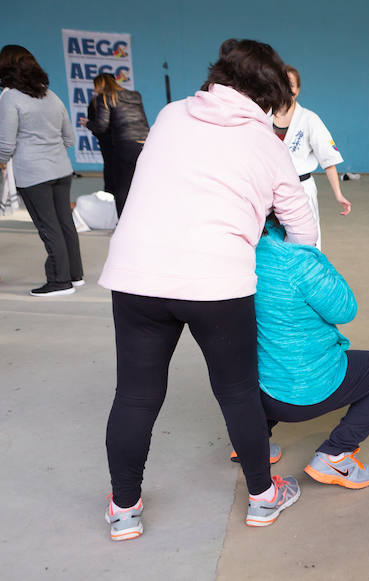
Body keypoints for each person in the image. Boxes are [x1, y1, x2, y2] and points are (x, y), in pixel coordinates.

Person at [97, 39, 318, 541]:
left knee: (135, 395)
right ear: (269, 95)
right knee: (237, 391)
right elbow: (303, 230)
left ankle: (124, 508)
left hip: (136, 275)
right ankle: (263, 498)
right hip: (217, 282)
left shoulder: (172, 115)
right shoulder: (266, 142)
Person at [243, 216, 369, 489]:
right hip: (302, 392)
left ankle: (249, 443)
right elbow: (345, 309)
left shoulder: (237, 255)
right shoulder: (297, 260)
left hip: (254, 392)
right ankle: (336, 454)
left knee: (269, 353)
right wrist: (315, 255)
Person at [0, 44, 84, 297]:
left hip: (33, 173)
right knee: (65, 223)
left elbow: (6, 143)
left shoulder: (10, 97)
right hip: (61, 169)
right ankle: (75, 275)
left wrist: (2, 161)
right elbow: (69, 137)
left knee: (48, 227)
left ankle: (59, 281)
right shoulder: (50, 95)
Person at [272, 65, 350, 250]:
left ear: (298, 90)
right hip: (269, 191)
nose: (286, 89)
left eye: (291, 85)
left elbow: (328, 159)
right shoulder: (262, 117)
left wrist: (338, 194)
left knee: (305, 243)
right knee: (270, 243)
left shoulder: (309, 119)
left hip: (301, 188)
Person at [83, 73, 150, 216]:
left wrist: (88, 123)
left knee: (122, 188)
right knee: (142, 185)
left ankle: (124, 222)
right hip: (145, 143)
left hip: (125, 144)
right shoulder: (135, 95)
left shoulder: (105, 97)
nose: (94, 90)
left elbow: (101, 126)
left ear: (100, 85)